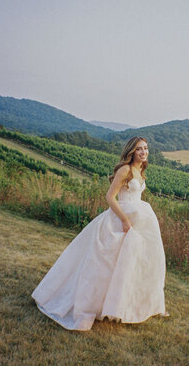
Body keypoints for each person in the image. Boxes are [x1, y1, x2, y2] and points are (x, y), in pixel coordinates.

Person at [32, 137, 167, 330]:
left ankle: (131, 304)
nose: (143, 152)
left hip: (140, 218)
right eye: (139, 149)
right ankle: (92, 306)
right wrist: (124, 220)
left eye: (145, 148)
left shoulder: (140, 170)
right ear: (132, 151)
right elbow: (110, 197)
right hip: (121, 217)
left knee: (134, 263)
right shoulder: (125, 170)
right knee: (106, 264)